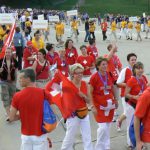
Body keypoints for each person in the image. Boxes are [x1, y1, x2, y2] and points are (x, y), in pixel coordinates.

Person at [8, 68, 53, 150]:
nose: (19, 80)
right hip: (41, 135)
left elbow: (11, 118)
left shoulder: (17, 96)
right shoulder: (45, 93)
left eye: (21, 78)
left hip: (26, 136)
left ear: (28, 79)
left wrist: (21, 114)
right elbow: (47, 111)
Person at [60, 63, 93, 150]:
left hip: (83, 113)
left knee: (87, 136)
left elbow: (89, 101)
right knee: (70, 137)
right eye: (77, 73)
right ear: (72, 74)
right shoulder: (67, 85)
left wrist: (83, 96)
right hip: (72, 115)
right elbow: (64, 100)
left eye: (81, 72)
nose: (80, 75)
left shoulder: (85, 84)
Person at [90, 56, 118, 150]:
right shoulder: (94, 77)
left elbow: (113, 87)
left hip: (110, 105)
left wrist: (116, 99)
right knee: (102, 128)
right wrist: (92, 106)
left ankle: (106, 147)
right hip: (99, 106)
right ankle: (98, 147)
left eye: (106, 64)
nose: (105, 66)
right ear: (98, 66)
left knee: (108, 127)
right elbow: (89, 92)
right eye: (103, 64)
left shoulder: (109, 74)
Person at [125, 62, 148, 149]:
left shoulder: (144, 78)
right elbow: (126, 94)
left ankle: (141, 143)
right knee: (132, 126)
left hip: (141, 105)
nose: (140, 70)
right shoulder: (131, 80)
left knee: (141, 125)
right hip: (132, 105)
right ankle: (131, 143)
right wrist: (134, 97)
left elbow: (146, 89)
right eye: (138, 68)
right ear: (134, 70)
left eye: (141, 68)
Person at [116, 53, 137, 146]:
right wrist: (129, 85)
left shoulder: (137, 70)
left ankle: (119, 120)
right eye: (132, 60)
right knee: (130, 119)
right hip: (126, 97)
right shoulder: (125, 70)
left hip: (136, 97)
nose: (134, 61)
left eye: (135, 59)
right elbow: (118, 83)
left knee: (132, 116)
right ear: (128, 61)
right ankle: (130, 144)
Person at [0, 47, 18, 117]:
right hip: (4, 81)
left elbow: (16, 72)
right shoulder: (1, 61)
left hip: (12, 82)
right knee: (5, 97)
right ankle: (8, 113)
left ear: (11, 53)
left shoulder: (14, 61)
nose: (7, 54)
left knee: (12, 97)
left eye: (9, 52)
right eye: (6, 52)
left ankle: (10, 109)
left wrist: (15, 82)